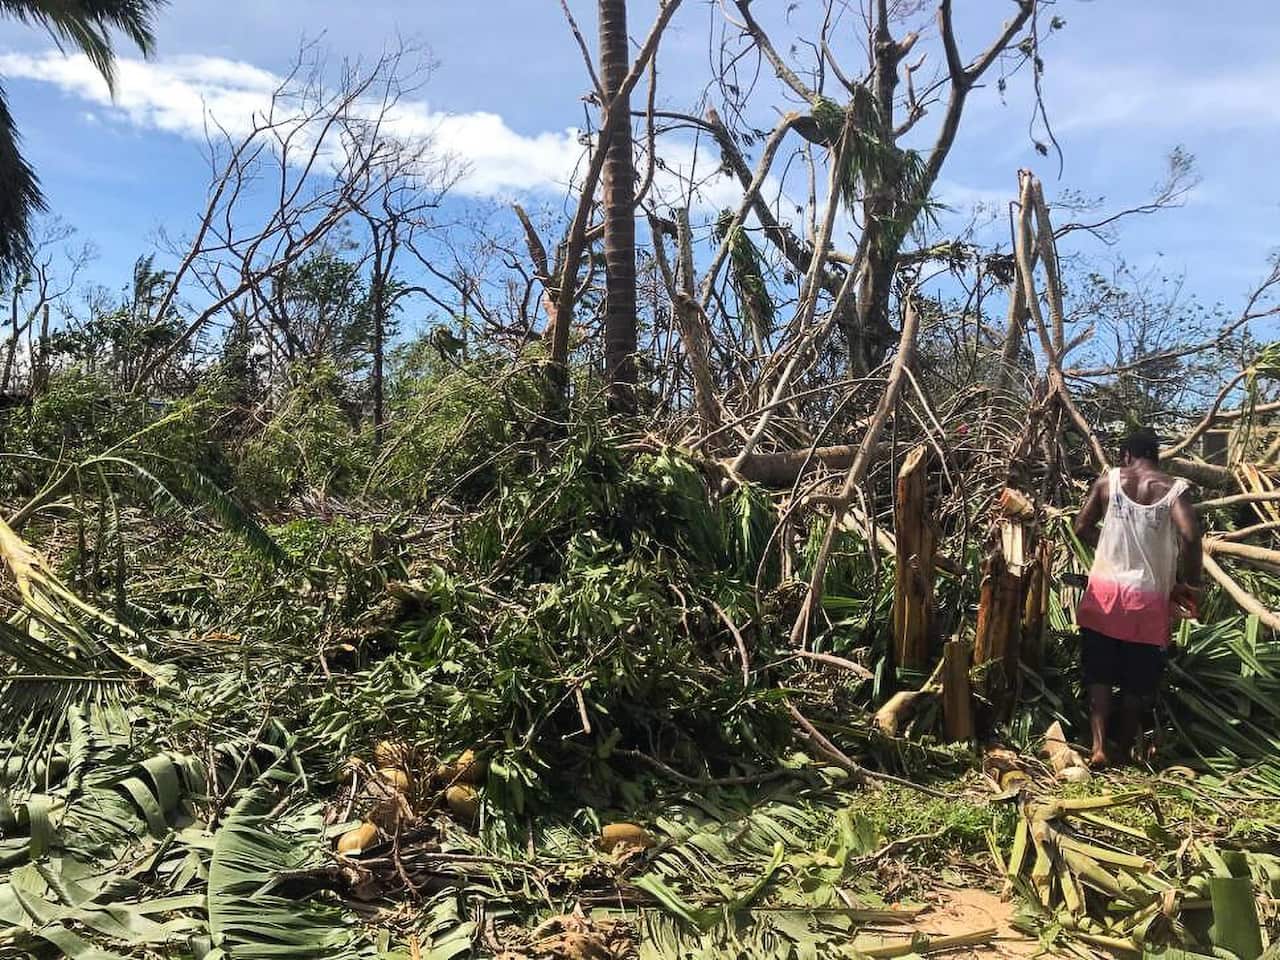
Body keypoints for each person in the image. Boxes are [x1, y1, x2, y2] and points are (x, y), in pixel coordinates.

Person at [1072, 427, 1202, 767]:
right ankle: (1124, 747)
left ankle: (1098, 746)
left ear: (1127, 454)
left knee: (1098, 673)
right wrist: (1191, 583)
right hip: (1147, 600)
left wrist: (1108, 547)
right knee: (1138, 678)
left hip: (1105, 593)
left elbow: (1080, 526)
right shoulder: (1173, 489)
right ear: (1155, 455)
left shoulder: (1109, 481)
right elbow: (1190, 536)